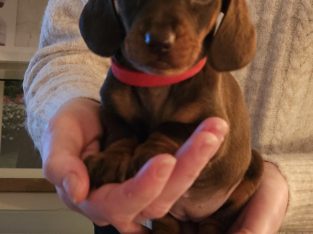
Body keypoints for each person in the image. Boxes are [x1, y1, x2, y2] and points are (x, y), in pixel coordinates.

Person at [23, 0, 312, 233]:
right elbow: (64, 49)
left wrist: (285, 187)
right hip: (126, 213)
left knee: (250, 168)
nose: (162, 35)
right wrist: (71, 103)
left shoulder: (205, 87)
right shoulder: (119, 90)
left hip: (245, 200)